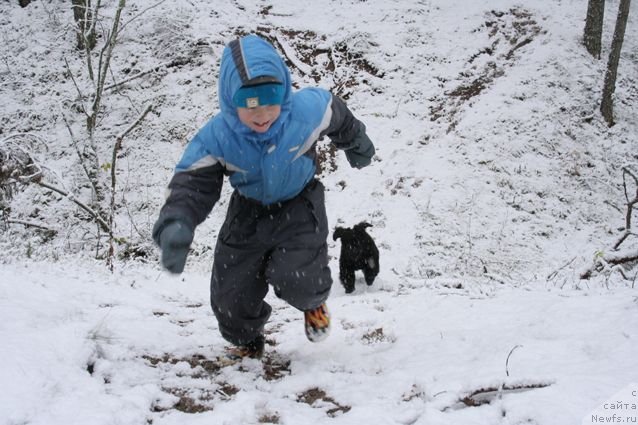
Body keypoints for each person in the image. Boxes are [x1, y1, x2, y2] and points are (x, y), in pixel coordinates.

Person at [152, 34, 375, 359]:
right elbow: (191, 183)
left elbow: (336, 113)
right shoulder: (218, 138)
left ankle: (313, 305)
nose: (263, 115)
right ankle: (246, 338)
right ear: (232, 100)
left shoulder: (304, 113)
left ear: (284, 90)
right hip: (248, 212)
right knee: (231, 298)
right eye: (250, 105)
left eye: (271, 100)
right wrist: (176, 222)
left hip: (300, 205)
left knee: (298, 277)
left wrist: (355, 141)